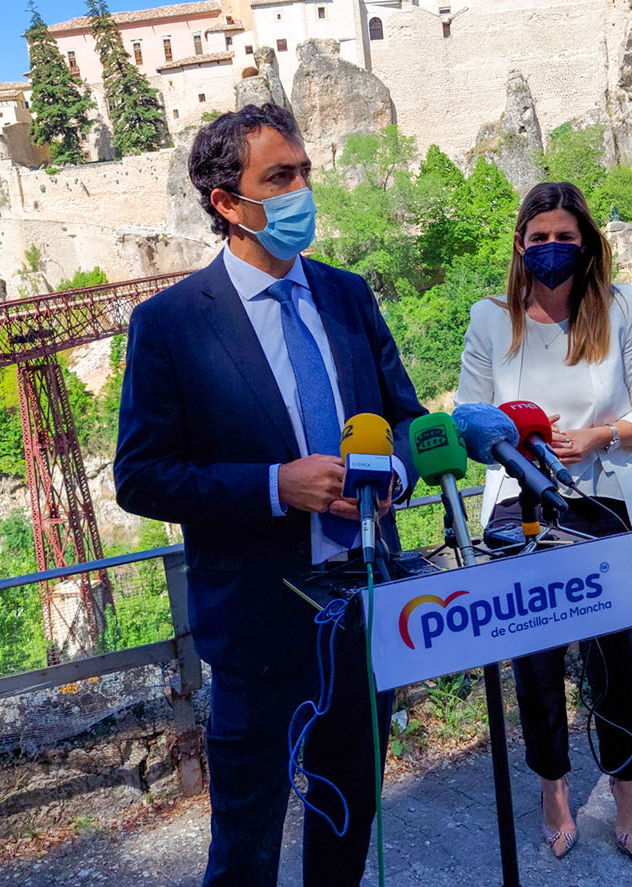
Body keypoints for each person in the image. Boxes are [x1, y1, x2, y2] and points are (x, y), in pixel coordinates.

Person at [113, 104, 426, 887]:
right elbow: (141, 474)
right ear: (227, 202)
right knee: (245, 849)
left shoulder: (348, 296)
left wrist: (394, 477)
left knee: (346, 820)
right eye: (278, 178)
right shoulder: (171, 324)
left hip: (365, 612)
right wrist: (274, 486)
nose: (299, 192)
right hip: (256, 631)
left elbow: (408, 422)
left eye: (303, 173)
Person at [455, 181, 632, 862]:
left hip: (605, 503)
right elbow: (467, 415)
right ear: (520, 244)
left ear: (586, 244)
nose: (551, 247)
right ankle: (554, 789)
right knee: (536, 666)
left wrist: (602, 434)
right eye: (539, 236)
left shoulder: (620, 307)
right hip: (519, 511)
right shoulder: (491, 320)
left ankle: (627, 790)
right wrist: (508, 441)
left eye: (564, 236)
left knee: (616, 663)